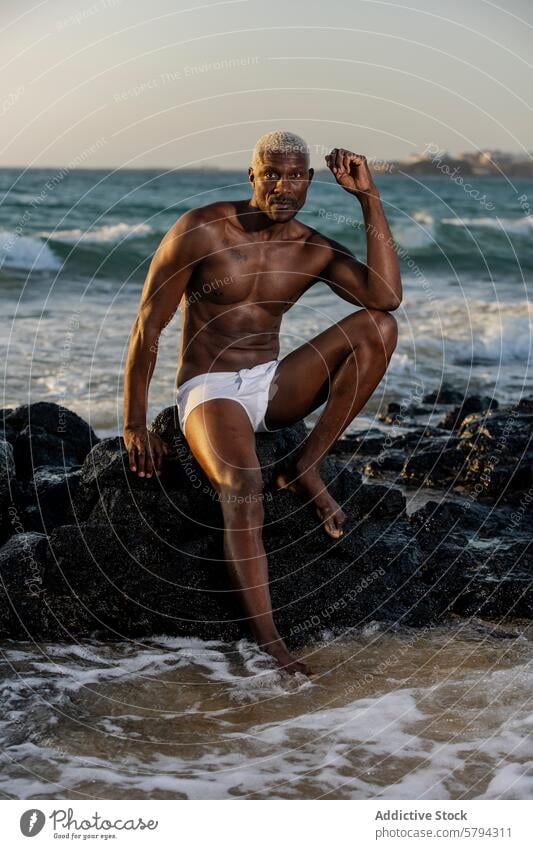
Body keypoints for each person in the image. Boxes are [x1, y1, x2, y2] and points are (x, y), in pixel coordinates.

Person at [123, 131, 402, 675]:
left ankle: (307, 461)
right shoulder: (201, 230)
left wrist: (369, 198)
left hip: (272, 384)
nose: (282, 185)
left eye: (295, 175)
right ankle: (272, 644)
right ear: (251, 175)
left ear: (310, 181)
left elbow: (386, 296)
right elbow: (147, 327)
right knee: (242, 485)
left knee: (381, 327)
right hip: (211, 388)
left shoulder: (312, 247)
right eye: (270, 173)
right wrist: (135, 421)